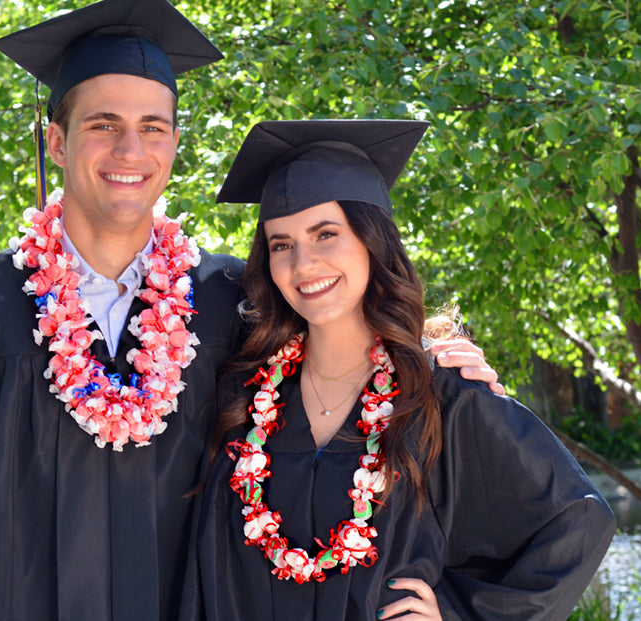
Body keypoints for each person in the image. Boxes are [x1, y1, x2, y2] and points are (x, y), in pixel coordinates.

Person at [0, 1, 502, 619]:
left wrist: (435, 359)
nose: (130, 150)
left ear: (175, 144)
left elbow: (352, 366)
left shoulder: (236, 302)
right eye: (103, 124)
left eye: (153, 126)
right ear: (56, 141)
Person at [185, 119, 615, 620]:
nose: (302, 264)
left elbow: (575, 520)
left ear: (372, 240)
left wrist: (458, 616)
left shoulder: (441, 392)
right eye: (281, 244)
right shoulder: (247, 396)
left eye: (326, 234)